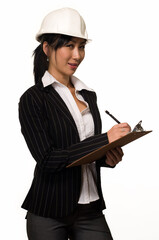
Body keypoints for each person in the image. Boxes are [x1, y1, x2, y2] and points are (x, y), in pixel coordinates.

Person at [19, 7, 131, 240]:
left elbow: (81, 148)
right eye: (69, 45)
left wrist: (105, 157)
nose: (77, 55)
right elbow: (48, 160)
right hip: (48, 211)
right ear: (47, 48)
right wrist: (105, 139)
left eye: (81, 46)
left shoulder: (88, 94)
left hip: (90, 209)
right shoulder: (33, 98)